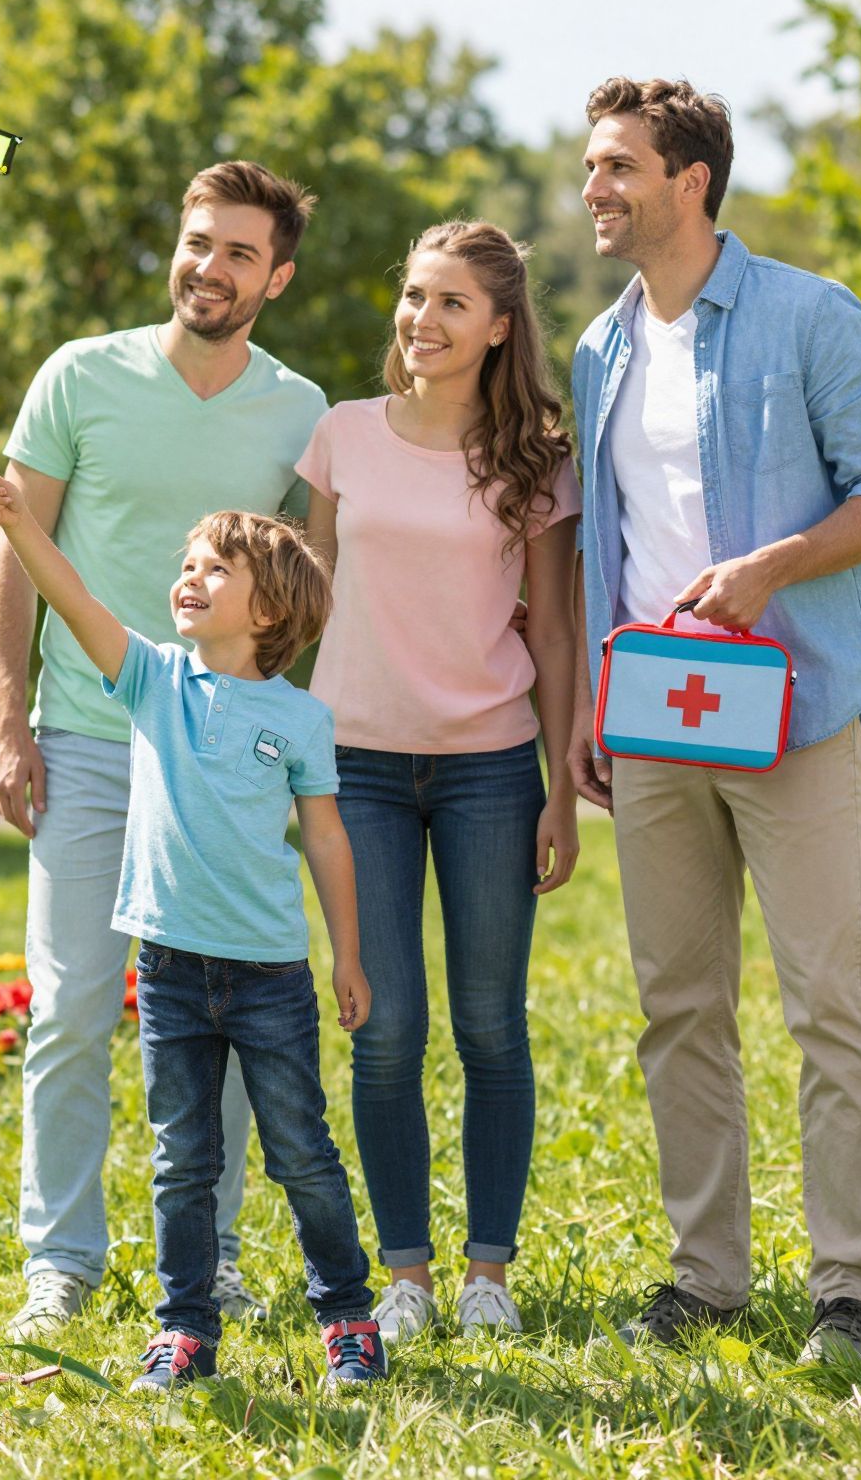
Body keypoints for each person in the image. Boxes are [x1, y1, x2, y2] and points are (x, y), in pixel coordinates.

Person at [565, 78, 861, 1362]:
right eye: (590, 166)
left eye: (618, 167)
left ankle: (851, 1288)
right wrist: (586, 715)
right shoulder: (598, 349)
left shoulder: (807, 316)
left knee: (827, 998)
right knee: (678, 1005)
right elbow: (599, 552)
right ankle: (704, 1276)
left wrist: (770, 568)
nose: (594, 189)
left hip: (796, 711)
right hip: (656, 722)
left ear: (690, 180)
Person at [0, 162, 330, 1339]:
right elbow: (15, 553)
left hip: (218, 764)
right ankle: (60, 1260)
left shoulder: (301, 411)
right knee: (73, 1004)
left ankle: (214, 1255)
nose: (209, 267)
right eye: (196, 242)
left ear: (274, 276)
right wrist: (3, 717)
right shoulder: (80, 375)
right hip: (83, 735)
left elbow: (309, 587)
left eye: (238, 252)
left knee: (225, 1017)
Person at [0, 470, 387, 1391]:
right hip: (169, 970)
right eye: (188, 564)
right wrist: (20, 523)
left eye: (216, 569)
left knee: (301, 1154)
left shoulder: (301, 719)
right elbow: (73, 598)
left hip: (271, 975)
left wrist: (347, 955)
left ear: (272, 609)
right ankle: (186, 1329)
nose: (189, 578)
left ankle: (348, 1320)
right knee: (182, 1159)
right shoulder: (152, 678)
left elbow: (326, 838)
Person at [298, 221, 581, 1343]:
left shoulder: (533, 459)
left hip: (488, 769)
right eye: (413, 296)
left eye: (450, 303)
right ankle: (405, 1273)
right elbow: (305, 597)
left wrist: (561, 782)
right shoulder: (342, 435)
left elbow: (554, 633)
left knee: (489, 1026)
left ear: (499, 326)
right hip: (354, 765)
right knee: (383, 1026)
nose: (421, 319)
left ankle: (487, 1276)